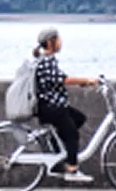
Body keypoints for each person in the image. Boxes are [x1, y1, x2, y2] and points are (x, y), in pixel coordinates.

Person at [33, 27, 98, 183]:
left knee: (79, 118)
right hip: (51, 107)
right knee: (72, 134)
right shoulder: (47, 60)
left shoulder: (45, 59)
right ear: (50, 43)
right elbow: (63, 79)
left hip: (53, 105)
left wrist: (83, 83)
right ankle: (72, 169)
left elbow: (56, 82)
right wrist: (86, 80)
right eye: (58, 39)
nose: (61, 42)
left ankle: (58, 155)